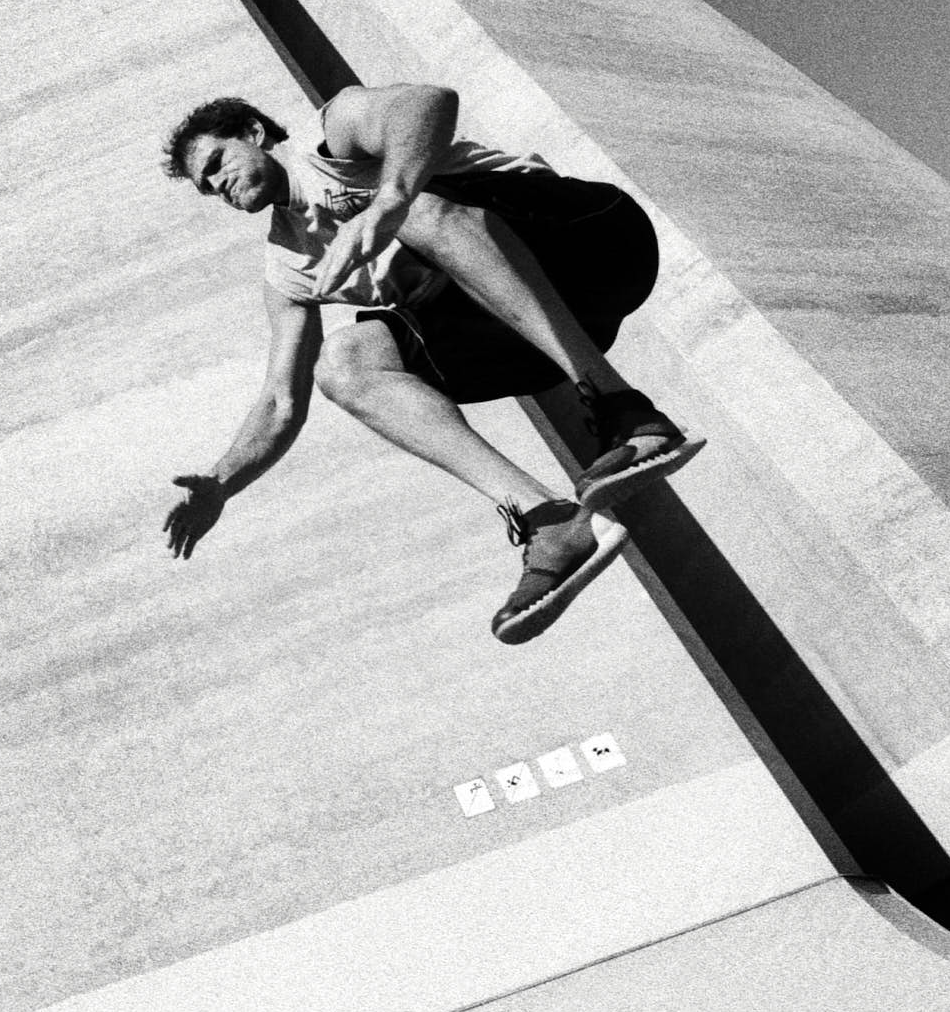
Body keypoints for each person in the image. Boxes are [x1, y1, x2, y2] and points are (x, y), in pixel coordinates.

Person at [159, 83, 703, 643]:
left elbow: (433, 102)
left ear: (254, 134)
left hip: (593, 240)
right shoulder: (288, 268)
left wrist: (389, 201)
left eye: (218, 163)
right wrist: (223, 482)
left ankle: (625, 409)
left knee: (415, 213)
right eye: (206, 187)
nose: (216, 186)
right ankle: (549, 520)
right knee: (343, 364)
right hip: (541, 326)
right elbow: (280, 402)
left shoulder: (338, 134)